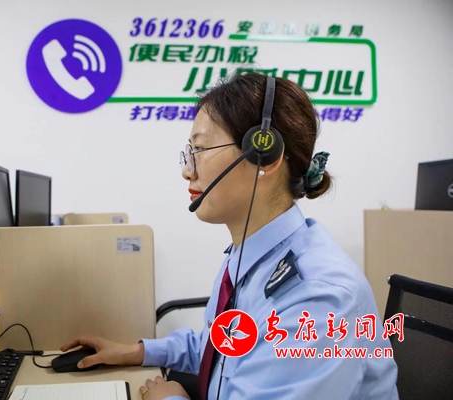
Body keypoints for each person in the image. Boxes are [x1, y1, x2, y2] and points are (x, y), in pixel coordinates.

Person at [60, 72, 399, 400]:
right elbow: (225, 347)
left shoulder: (317, 301)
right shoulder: (251, 255)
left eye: (200, 150)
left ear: (264, 154)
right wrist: (137, 351)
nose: (187, 171)